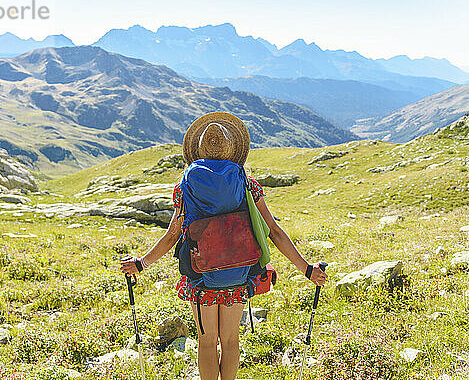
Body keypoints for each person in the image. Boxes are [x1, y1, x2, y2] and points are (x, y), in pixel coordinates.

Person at [120, 112, 328, 380]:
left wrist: (141, 263)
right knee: (230, 340)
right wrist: (306, 269)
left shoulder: (185, 187)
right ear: (234, 150)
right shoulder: (247, 183)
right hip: (239, 273)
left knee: (207, 342)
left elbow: (172, 235)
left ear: (197, 150)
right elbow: (274, 231)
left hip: (201, 277)